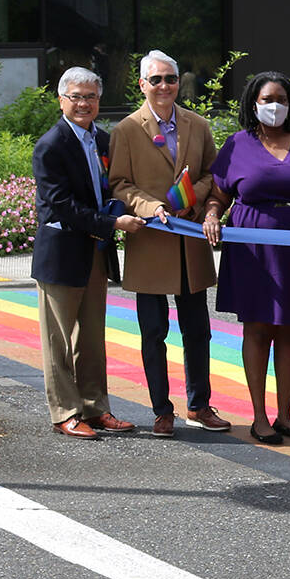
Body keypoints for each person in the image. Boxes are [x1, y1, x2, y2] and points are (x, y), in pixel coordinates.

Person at [202, 71, 290, 445]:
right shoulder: (237, 144)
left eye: (281, 98)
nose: (274, 105)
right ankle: (259, 417)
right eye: (266, 99)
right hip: (252, 250)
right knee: (258, 329)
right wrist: (212, 215)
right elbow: (218, 196)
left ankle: (285, 415)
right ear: (253, 103)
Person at [108, 50, 228, 437]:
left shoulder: (198, 124)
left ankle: (199, 405)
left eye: (170, 79)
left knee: (198, 331)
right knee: (153, 332)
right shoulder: (126, 129)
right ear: (142, 84)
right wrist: (153, 205)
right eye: (155, 79)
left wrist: (195, 198)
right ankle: (162, 409)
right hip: (151, 240)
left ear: (180, 82)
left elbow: (214, 174)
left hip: (190, 241)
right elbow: (120, 184)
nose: (164, 86)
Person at [33, 67, 146, 439]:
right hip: (62, 252)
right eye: (76, 97)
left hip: (96, 252)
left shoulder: (103, 139)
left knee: (92, 337)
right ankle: (65, 412)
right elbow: (60, 205)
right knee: (58, 340)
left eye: (91, 97)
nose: (84, 104)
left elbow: (110, 187)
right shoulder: (51, 145)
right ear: (61, 100)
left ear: (99, 100)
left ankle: (96, 408)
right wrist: (112, 224)